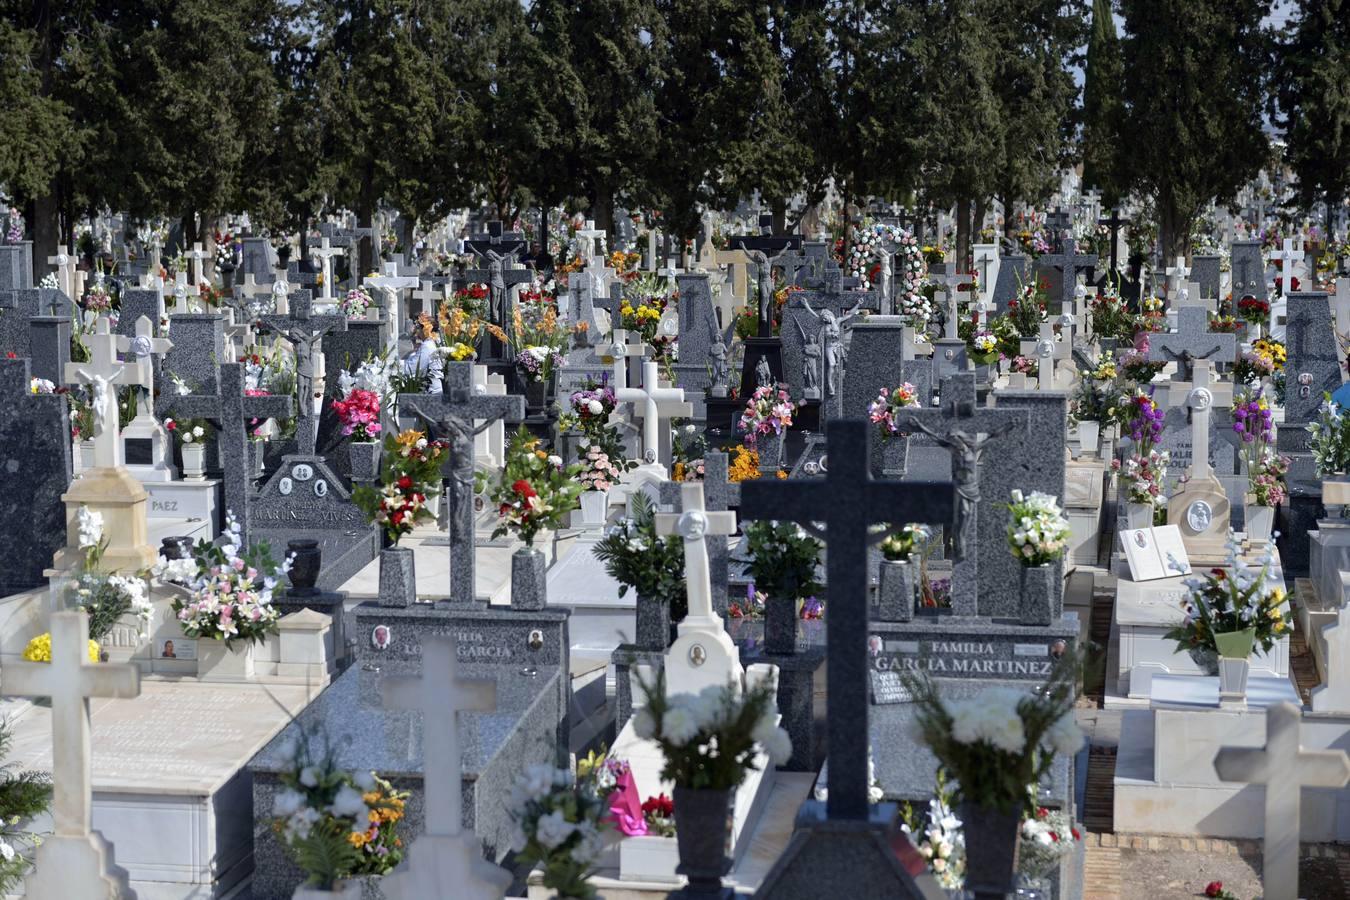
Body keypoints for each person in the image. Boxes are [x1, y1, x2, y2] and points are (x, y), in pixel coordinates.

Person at [403, 313, 443, 394]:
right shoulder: (430, 342)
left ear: (425, 329)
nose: (417, 331)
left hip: (432, 391)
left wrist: (398, 364)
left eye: (418, 328)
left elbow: (411, 368)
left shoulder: (427, 346)